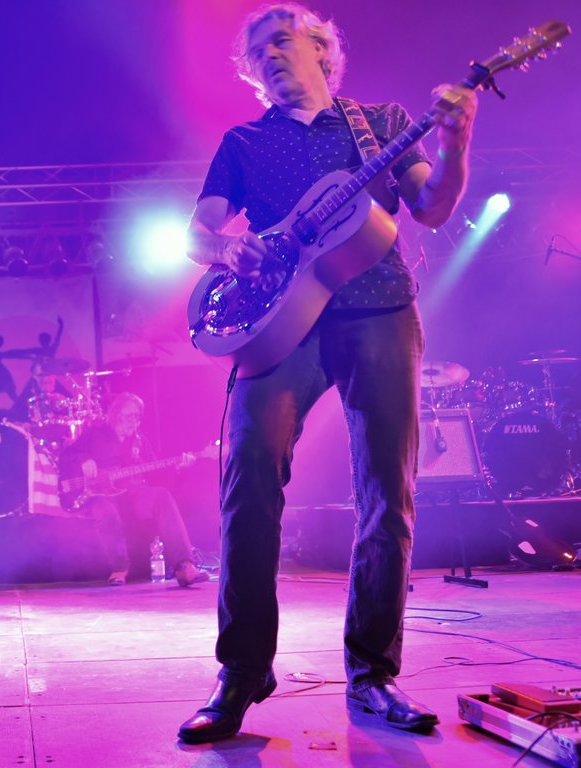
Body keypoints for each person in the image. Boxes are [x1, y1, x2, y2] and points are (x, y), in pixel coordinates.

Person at [177, 4, 477, 744]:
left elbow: (432, 207)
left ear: (321, 48)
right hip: (279, 324)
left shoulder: (380, 123)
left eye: (282, 41)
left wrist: (457, 140)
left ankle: (373, 673)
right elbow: (196, 233)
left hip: (380, 309)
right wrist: (226, 250)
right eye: (257, 52)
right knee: (248, 480)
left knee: (387, 493)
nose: (270, 56)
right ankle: (242, 671)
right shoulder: (243, 143)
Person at [60, 392, 209, 587]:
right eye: (129, 415)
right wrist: (84, 459)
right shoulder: (95, 434)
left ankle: (184, 566)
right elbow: (67, 455)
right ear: (116, 415)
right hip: (98, 495)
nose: (134, 421)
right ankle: (120, 568)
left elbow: (156, 475)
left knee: (161, 495)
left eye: (137, 416)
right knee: (107, 512)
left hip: (130, 494)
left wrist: (178, 467)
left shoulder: (140, 442)